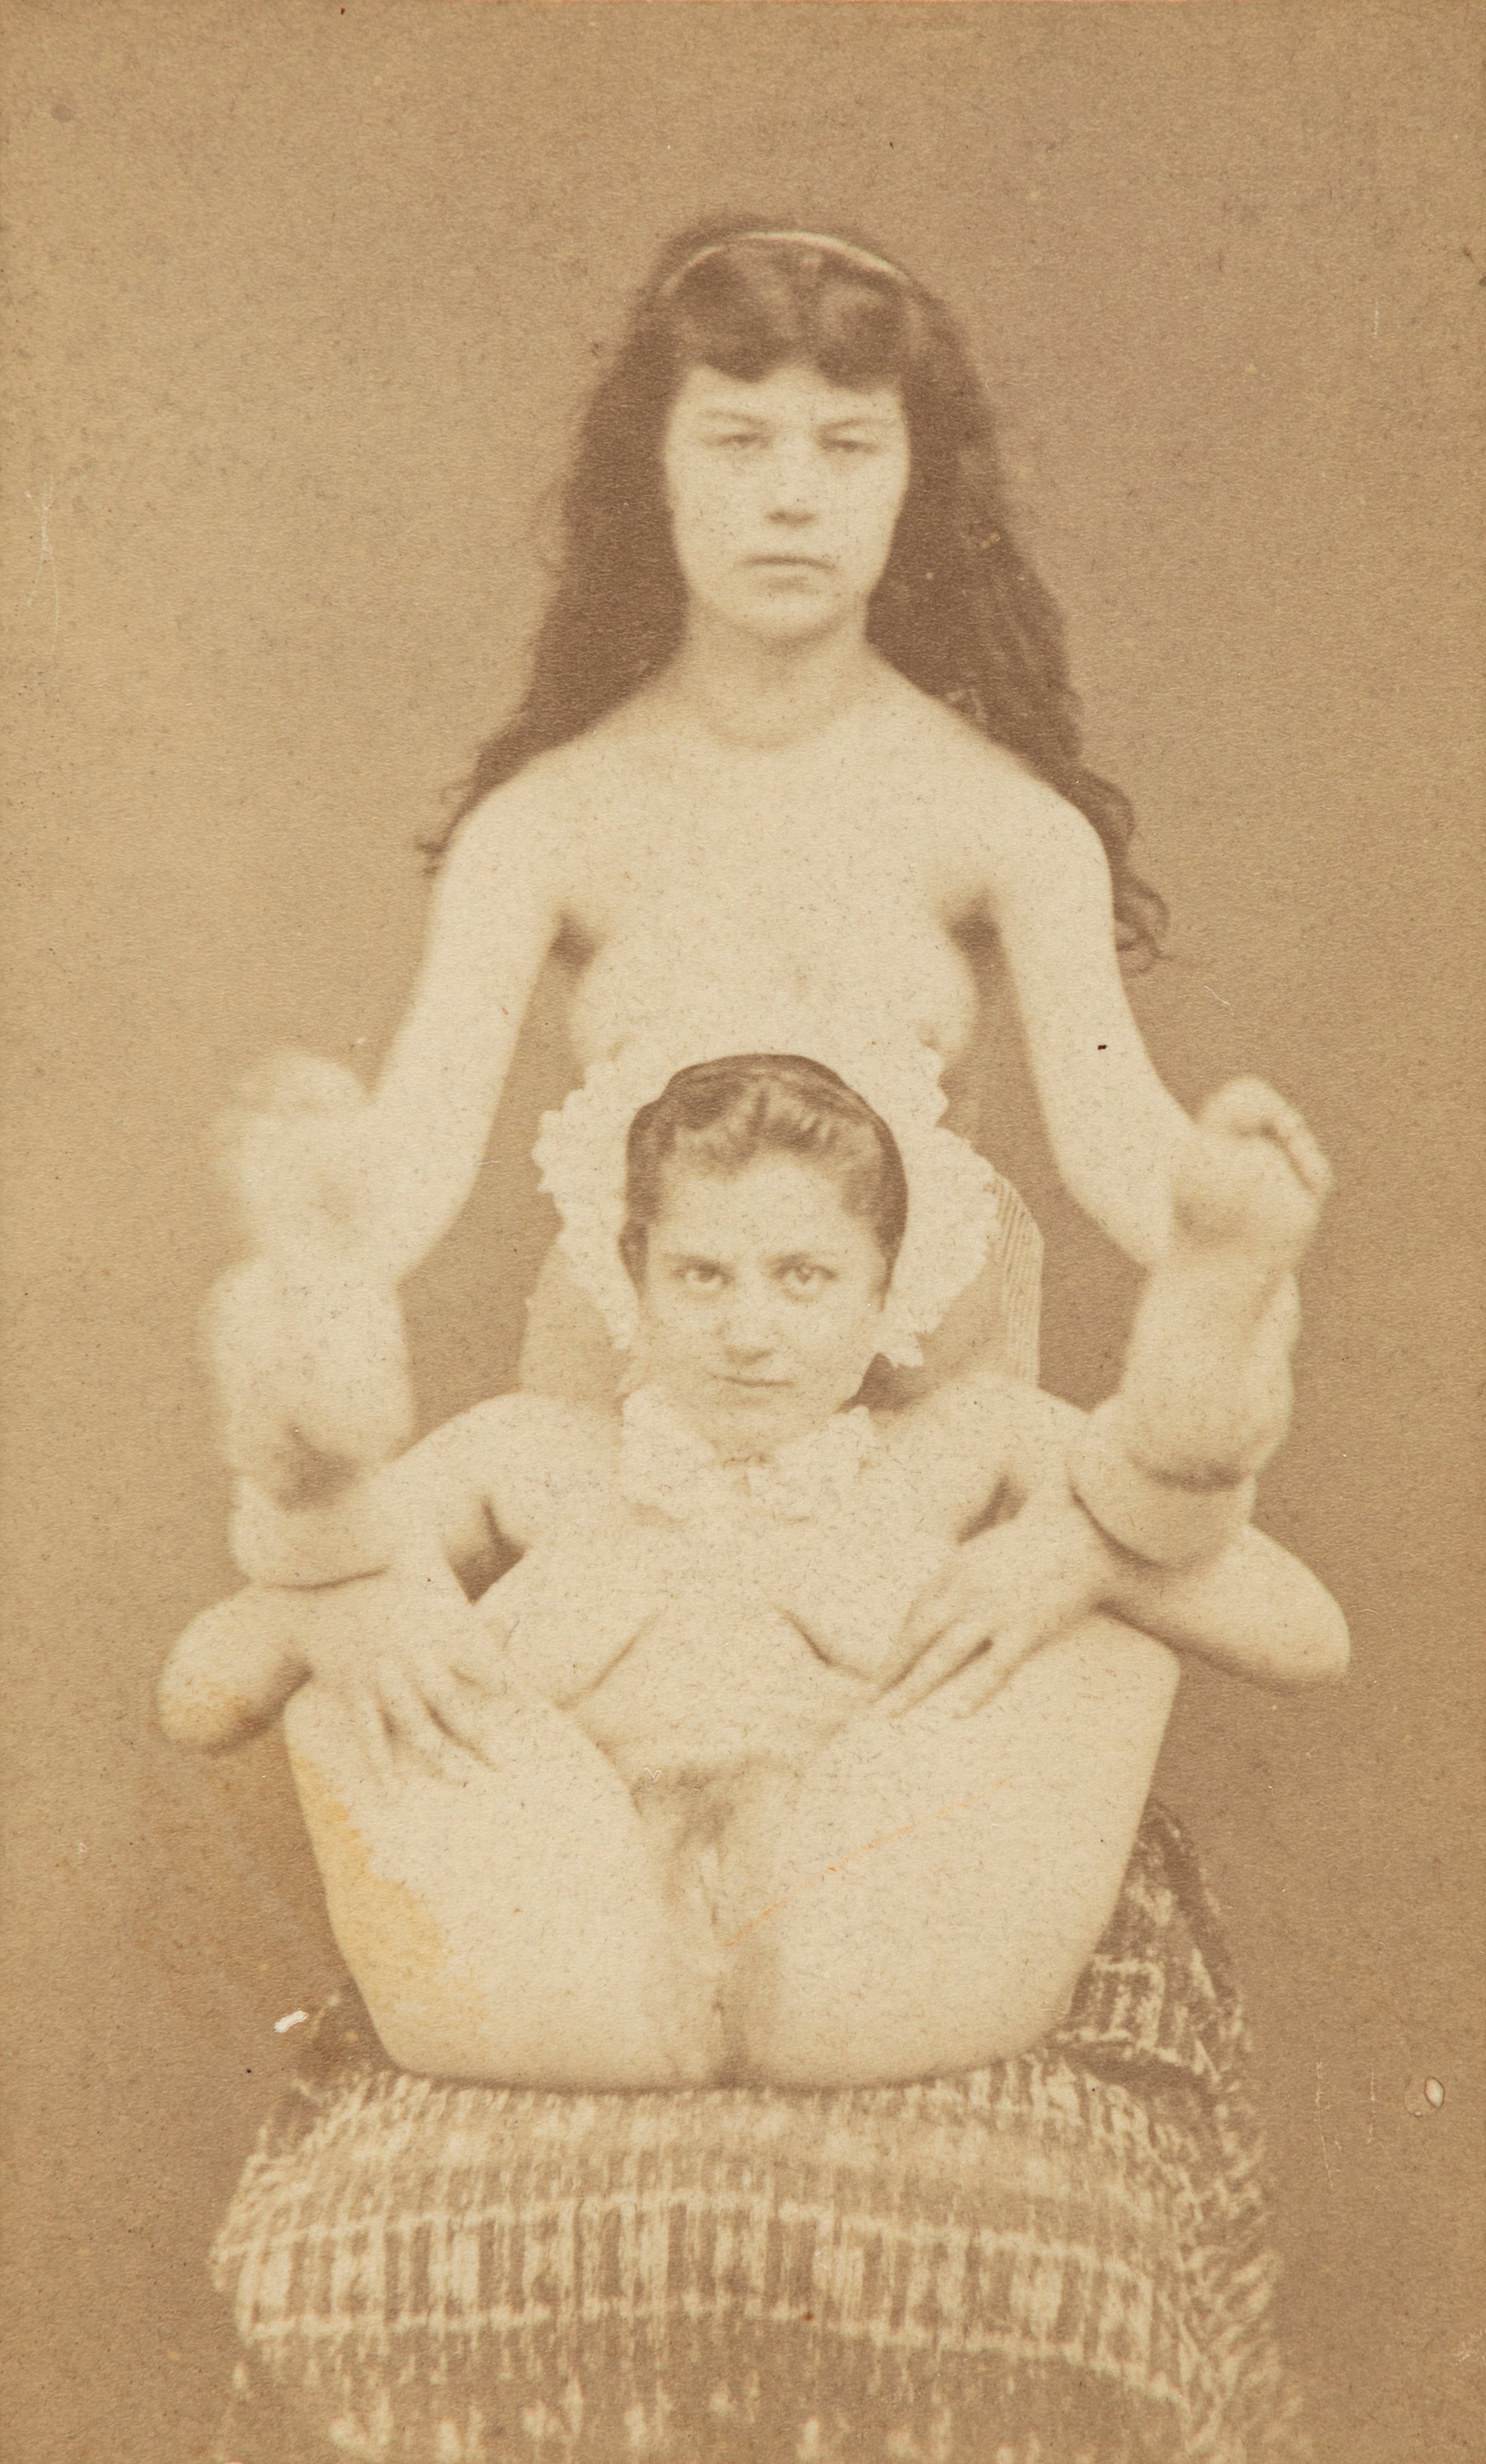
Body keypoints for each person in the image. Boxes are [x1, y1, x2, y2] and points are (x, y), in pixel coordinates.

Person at [218, 217, 1303, 1490]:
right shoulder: (547, 823)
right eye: (737, 441)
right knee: (310, 1366)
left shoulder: (1001, 819)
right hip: (626, 1445)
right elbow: (417, 1160)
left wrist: (1225, 1222)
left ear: (913, 482)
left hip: (919, 1443)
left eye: (849, 445)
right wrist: (323, 1217)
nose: (793, 496)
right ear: (656, 470)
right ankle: (317, 1392)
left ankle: (1198, 1395)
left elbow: (1118, 1138)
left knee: (1192, 1397)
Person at [165, 1055, 1345, 2096]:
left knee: (1112, 1610)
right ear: (633, 1276)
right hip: (561, 1978)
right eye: (702, 1275)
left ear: (884, 1290)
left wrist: (1073, 1557)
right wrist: (345, 1615)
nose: (749, 1330)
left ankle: (1192, 1398)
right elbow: (200, 1694)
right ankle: (308, 1437)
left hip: (876, 1965)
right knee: (358, 1610)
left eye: (803, 1277)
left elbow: (1305, 1635)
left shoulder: (963, 1442)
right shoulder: (527, 1453)